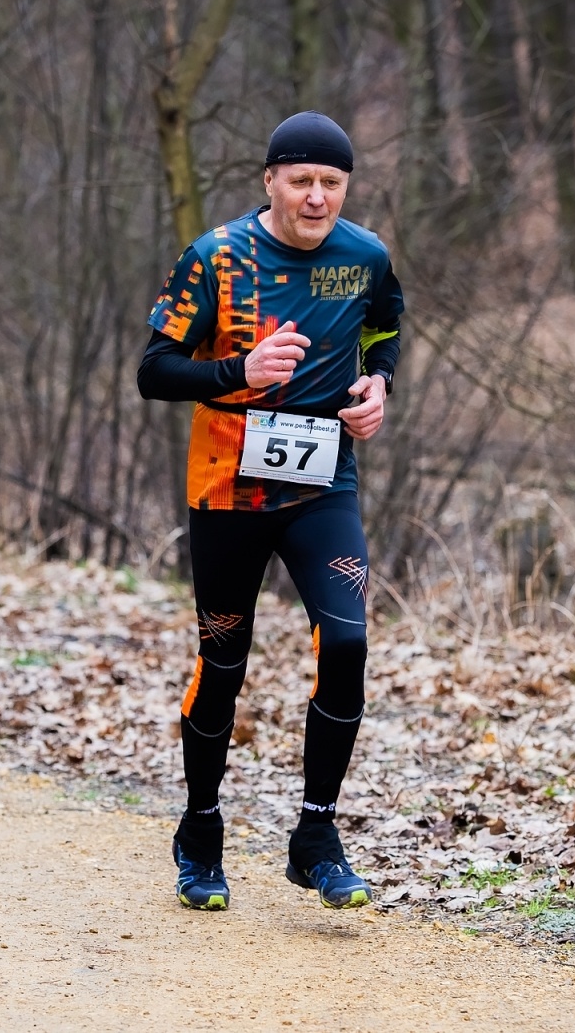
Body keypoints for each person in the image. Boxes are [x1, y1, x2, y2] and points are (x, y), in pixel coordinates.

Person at [139, 111, 403, 911]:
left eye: (331, 183)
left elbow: (386, 329)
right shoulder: (216, 258)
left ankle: (315, 837)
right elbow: (155, 371)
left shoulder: (366, 256)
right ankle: (201, 830)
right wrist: (238, 368)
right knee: (223, 664)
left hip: (323, 486)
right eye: (302, 181)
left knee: (348, 642)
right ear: (269, 181)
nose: (317, 198)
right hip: (227, 492)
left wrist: (378, 387)